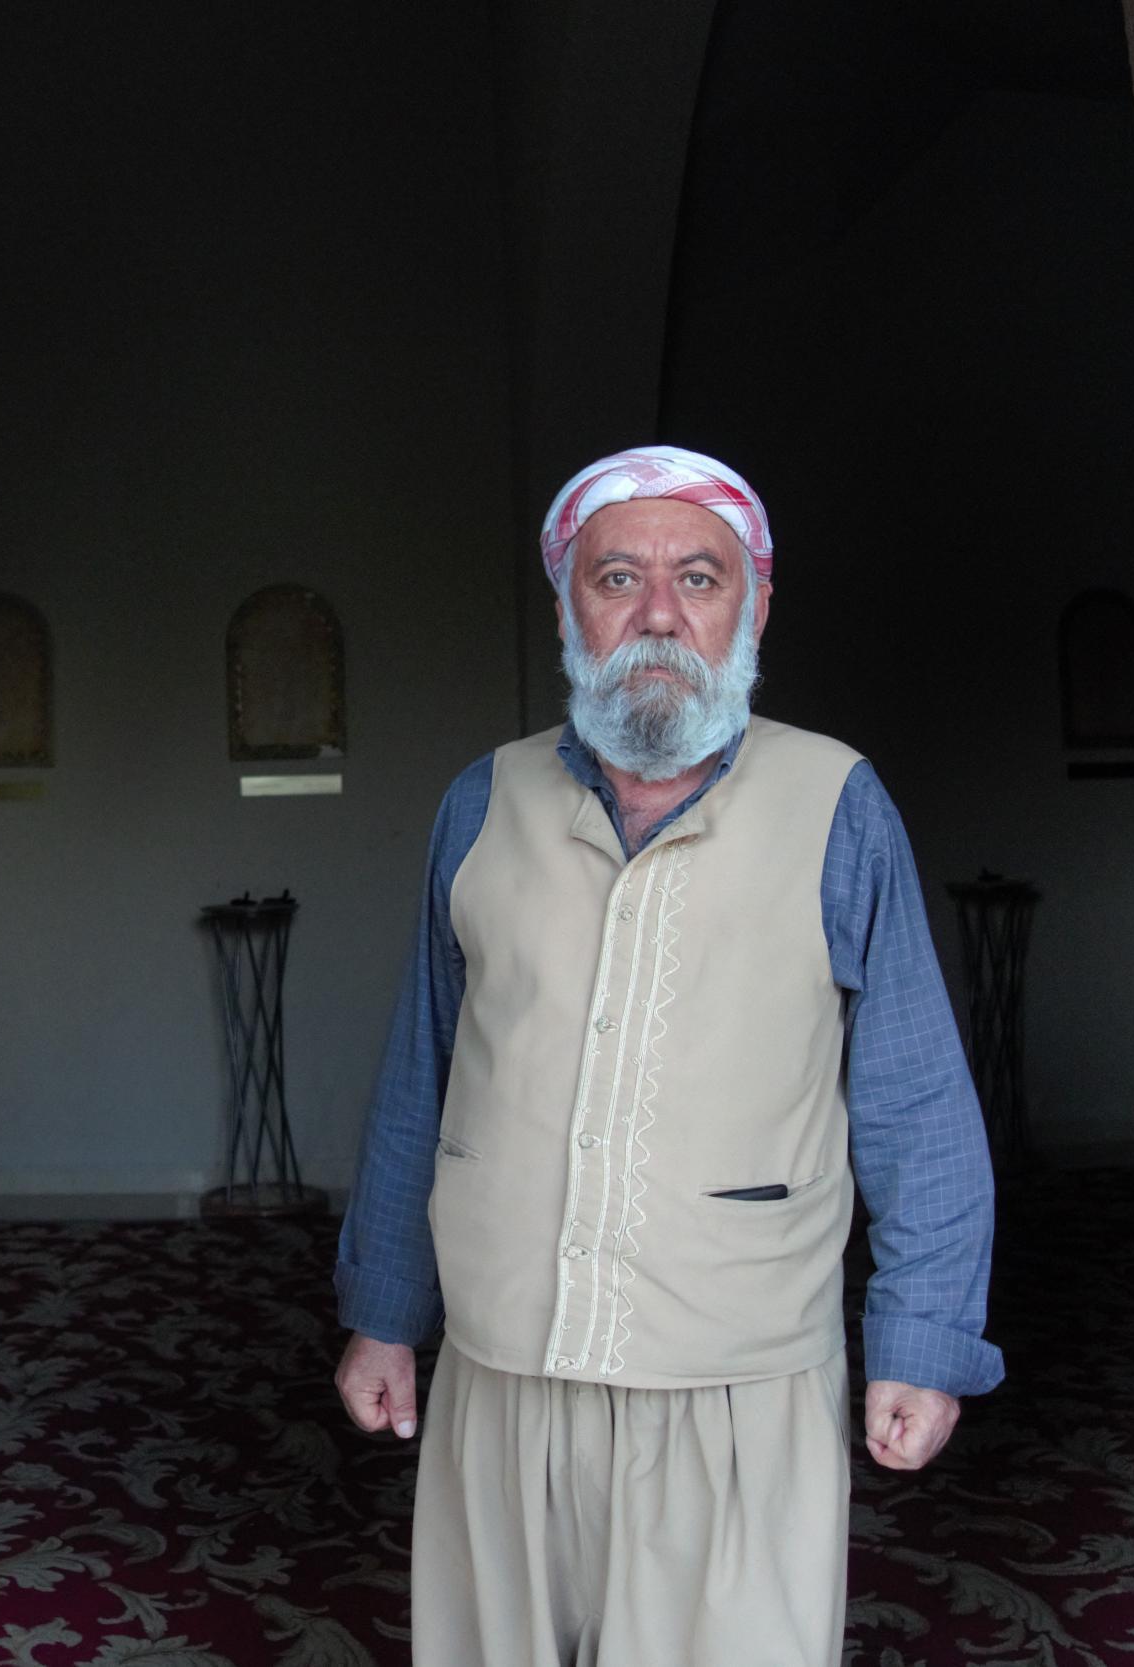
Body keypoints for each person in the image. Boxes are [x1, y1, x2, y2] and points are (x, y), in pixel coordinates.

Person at [331, 445, 1004, 1666]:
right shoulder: (480, 801)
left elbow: (913, 1095)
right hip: (503, 1368)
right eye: (616, 576)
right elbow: (418, 1075)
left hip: (735, 1386)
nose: (656, 613)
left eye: (698, 577)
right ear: (564, 607)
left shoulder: (838, 800)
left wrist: (924, 1335)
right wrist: (385, 1312)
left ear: (752, 605)